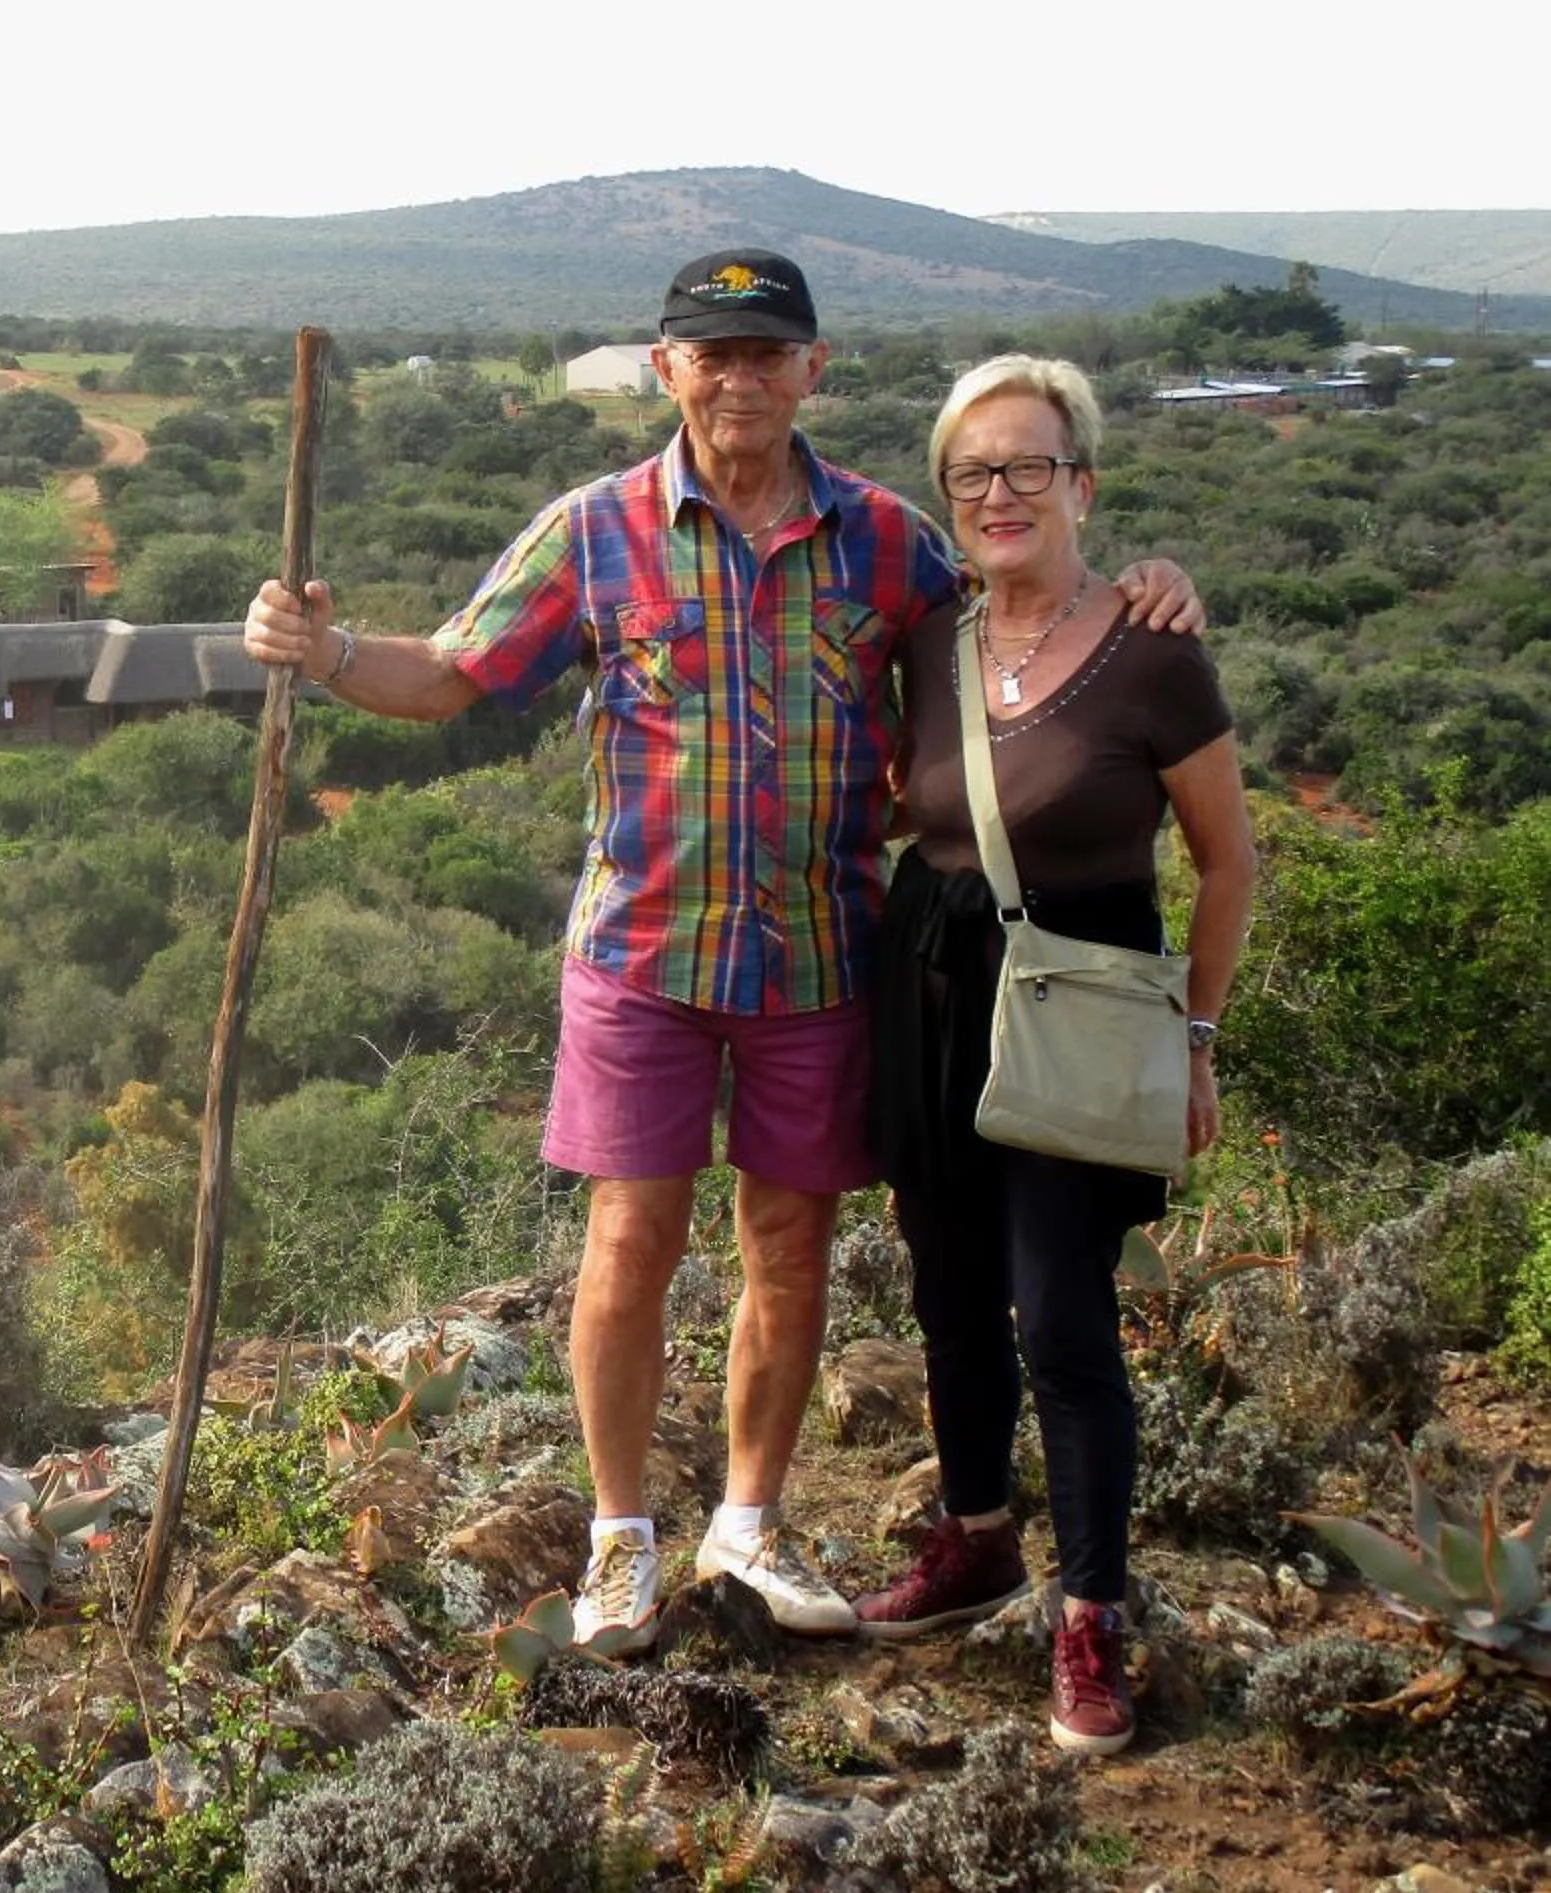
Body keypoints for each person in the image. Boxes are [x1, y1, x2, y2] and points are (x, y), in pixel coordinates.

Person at [243, 251, 1200, 1653]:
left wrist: (1147, 587)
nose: (741, 377)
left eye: (769, 352)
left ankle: (747, 1521)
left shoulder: (884, 541)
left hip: (821, 950)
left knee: (791, 1245)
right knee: (629, 1239)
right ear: (665, 368)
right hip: (641, 949)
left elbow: (1022, 613)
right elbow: (452, 672)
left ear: (814, 369)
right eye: (714, 353)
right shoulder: (593, 531)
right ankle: (621, 1535)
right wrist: (324, 653)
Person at [850, 355, 1256, 1754]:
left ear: (1081, 484)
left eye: (1031, 466)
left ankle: (1091, 1613)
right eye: (975, 472)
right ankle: (976, 1540)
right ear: (949, 498)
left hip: (1079, 1004)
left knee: (1064, 1319)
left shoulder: (1153, 649)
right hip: (931, 986)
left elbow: (1227, 862)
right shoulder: (927, 641)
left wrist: (1195, 1039)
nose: (1002, 492)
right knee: (949, 1293)